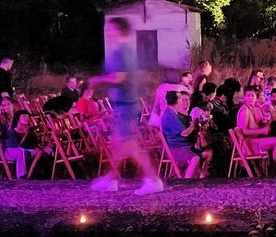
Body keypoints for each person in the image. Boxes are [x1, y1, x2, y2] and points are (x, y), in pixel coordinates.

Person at [87, 17, 161, 195]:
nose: (107, 32)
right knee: (118, 144)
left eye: (110, 29)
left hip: (125, 105)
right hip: (124, 103)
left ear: (119, 30)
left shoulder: (122, 52)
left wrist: (97, 80)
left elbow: (119, 77)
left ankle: (152, 179)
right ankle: (112, 179)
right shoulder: (123, 51)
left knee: (130, 146)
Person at [161, 90, 211, 179]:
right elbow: (184, 133)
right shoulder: (170, 115)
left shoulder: (173, 113)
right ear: (177, 101)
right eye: (181, 99)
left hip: (184, 146)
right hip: (177, 148)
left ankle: (200, 177)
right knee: (195, 158)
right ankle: (187, 181)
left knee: (208, 153)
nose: (183, 102)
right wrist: (193, 125)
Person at [236, 87, 276, 164]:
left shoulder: (252, 108)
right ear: (244, 97)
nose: (250, 98)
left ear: (256, 97)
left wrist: (268, 122)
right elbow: (242, 131)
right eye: (248, 96)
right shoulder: (244, 110)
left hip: (254, 140)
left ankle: (273, 165)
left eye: (252, 96)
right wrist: (261, 131)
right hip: (248, 144)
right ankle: (274, 167)